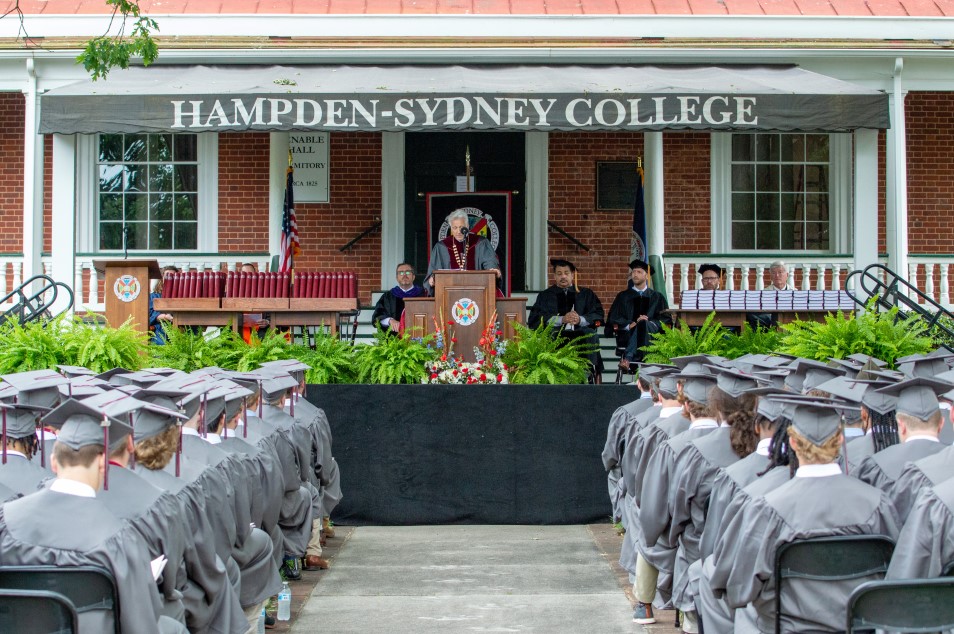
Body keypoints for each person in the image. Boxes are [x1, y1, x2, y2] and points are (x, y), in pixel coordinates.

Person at [700, 399, 901, 632]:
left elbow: (739, 588)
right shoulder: (877, 503)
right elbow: (896, 575)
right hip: (858, 626)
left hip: (786, 626)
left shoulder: (769, 508)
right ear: (840, 440)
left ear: (792, 442)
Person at [0, 398, 187, 633]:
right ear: (101, 463)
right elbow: (141, 623)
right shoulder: (118, 539)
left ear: (53, 462)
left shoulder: (6, 519)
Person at [527, 258, 605, 381]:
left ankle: (587, 373)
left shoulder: (586, 293)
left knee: (590, 335)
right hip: (556, 333)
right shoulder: (546, 295)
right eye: (559, 273)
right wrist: (561, 319)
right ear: (554, 276)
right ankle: (554, 377)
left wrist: (580, 319)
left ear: (573, 275)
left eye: (566, 273)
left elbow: (598, 314)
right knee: (551, 336)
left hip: (581, 333)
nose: (563, 276)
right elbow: (535, 319)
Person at [608, 260, 670, 368]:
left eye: (639, 272)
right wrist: (628, 324)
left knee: (643, 323)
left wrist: (649, 323)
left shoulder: (657, 297)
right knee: (641, 324)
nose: (635, 274)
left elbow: (666, 319)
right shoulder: (623, 296)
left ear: (647, 276)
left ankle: (628, 358)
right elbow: (614, 317)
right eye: (633, 272)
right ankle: (646, 366)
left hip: (652, 335)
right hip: (629, 334)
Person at [424, 210, 501, 293]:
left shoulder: (481, 243)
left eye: (461, 227)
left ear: (467, 226)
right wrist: (432, 279)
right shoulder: (441, 247)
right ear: (451, 228)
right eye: (455, 228)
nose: (458, 231)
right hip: (449, 294)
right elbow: (433, 272)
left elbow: (490, 262)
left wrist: (493, 269)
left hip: (477, 291)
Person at [372, 262, 425, 334]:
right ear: (397, 278)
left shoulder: (423, 294)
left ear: (413, 277)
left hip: (419, 337)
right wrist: (389, 320)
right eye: (401, 273)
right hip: (394, 340)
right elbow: (377, 317)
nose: (405, 275)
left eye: (408, 272)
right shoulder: (388, 296)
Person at [149, 265, 179, 345]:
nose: (170, 278)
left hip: (180, 329)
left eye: (173, 276)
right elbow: (150, 315)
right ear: (162, 279)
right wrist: (165, 317)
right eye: (167, 276)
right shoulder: (153, 296)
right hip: (160, 330)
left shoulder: (182, 296)